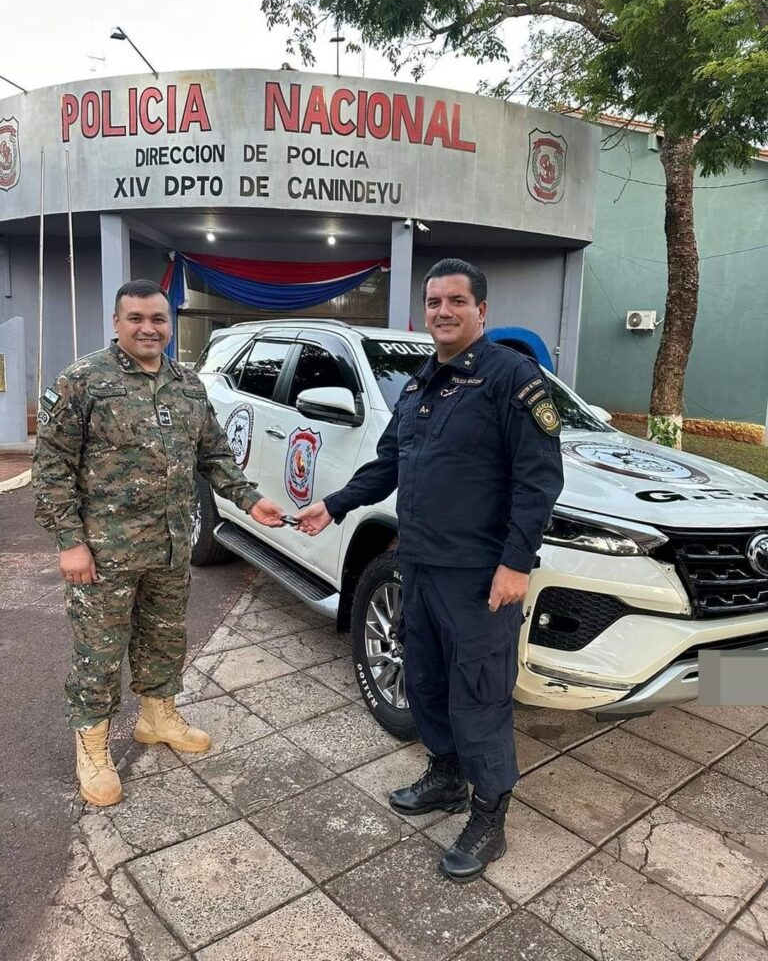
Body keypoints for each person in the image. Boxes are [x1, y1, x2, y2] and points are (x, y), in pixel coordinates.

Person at [296, 258, 564, 883]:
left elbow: (538, 480)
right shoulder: (419, 387)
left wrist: (515, 564)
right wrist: (332, 506)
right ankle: (445, 775)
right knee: (427, 679)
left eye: (456, 302)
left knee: (480, 694)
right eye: (434, 302)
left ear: (482, 312)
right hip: (419, 564)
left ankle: (489, 815)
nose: (443, 311)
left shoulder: (512, 380)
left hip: (479, 578)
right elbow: (387, 464)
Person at [32, 280, 287, 807]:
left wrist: (249, 498)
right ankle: (93, 745)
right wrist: (69, 541)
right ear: (116, 322)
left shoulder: (188, 385)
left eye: (157, 319)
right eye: (136, 319)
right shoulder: (84, 381)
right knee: (99, 654)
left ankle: (156, 716)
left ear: (169, 325)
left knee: (166, 638)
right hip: (105, 552)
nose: (148, 328)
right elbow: (52, 466)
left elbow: (213, 453)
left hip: (172, 547)